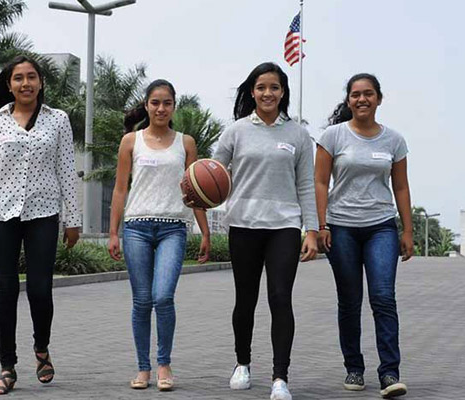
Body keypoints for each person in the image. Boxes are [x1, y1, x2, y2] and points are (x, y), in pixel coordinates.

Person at [0, 56, 81, 395]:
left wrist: (73, 220)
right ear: (9, 84)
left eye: (31, 77)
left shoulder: (58, 119)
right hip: (2, 214)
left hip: (43, 214)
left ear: (41, 82)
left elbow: (66, 170)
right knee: (5, 291)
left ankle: (41, 348)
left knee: (40, 289)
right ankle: (7, 366)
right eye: (18, 78)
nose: (25, 83)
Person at [211, 62, 318, 400]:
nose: (267, 93)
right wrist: (197, 193)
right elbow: (214, 174)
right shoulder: (236, 131)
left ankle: (280, 377)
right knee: (245, 299)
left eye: (274, 87)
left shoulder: (298, 134)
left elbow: (306, 185)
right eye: (261, 87)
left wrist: (312, 230)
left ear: (283, 92)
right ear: (252, 92)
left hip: (284, 226)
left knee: (280, 298)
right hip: (243, 224)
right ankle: (242, 363)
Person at [314, 73, 414, 399]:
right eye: (356, 94)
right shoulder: (333, 136)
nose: (362, 99)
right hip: (341, 227)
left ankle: (389, 372)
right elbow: (320, 182)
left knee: (383, 297)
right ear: (349, 100)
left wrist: (407, 230)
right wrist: (321, 225)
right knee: (350, 300)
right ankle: (354, 367)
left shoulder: (394, 140)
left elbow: (401, 186)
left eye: (368, 94)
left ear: (379, 99)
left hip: (381, 226)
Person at [108, 79, 210, 392]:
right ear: (147, 105)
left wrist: (205, 232)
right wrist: (113, 232)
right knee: (142, 301)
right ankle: (143, 368)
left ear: (174, 107)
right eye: (155, 103)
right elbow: (120, 189)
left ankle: (164, 363)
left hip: (173, 228)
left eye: (167, 103)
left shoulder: (186, 143)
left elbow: (196, 190)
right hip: (136, 227)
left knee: (163, 297)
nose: (161, 108)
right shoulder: (131, 141)